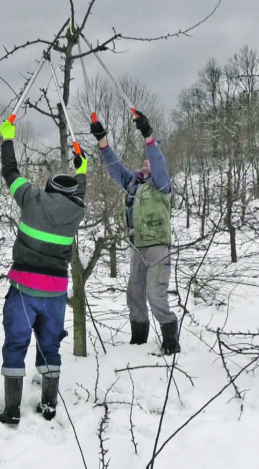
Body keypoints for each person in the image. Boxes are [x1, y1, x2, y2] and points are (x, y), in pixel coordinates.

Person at [0, 119, 87, 425]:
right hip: (56, 295)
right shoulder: (76, 212)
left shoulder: (31, 198)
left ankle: (11, 410)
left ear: (47, 188)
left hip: (24, 291)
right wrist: (82, 168)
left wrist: (8, 138)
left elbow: (10, 173)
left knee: (15, 344)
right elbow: (78, 191)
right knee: (49, 347)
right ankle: (49, 405)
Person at [92, 111, 179, 355]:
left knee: (156, 294)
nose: (145, 161)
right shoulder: (134, 183)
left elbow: (158, 162)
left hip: (158, 247)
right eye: (145, 159)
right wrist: (103, 143)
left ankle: (171, 342)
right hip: (137, 246)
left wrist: (148, 135)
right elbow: (114, 168)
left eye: (150, 159)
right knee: (135, 294)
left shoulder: (161, 184)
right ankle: (138, 341)